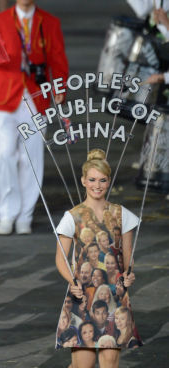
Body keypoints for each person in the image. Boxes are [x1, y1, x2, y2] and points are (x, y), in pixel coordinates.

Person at [0, 0, 68, 235]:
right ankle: (7, 213)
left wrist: (60, 88)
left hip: (38, 97)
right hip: (5, 97)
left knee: (31, 158)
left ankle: (25, 214)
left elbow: (58, 60)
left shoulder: (50, 22)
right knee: (4, 154)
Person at [55, 149, 142, 366]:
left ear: (109, 181)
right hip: (81, 296)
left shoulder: (124, 215)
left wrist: (130, 275)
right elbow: (60, 259)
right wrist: (72, 282)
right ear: (83, 181)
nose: (97, 185)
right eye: (92, 179)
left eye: (102, 180)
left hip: (114, 298)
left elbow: (128, 258)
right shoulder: (71, 217)